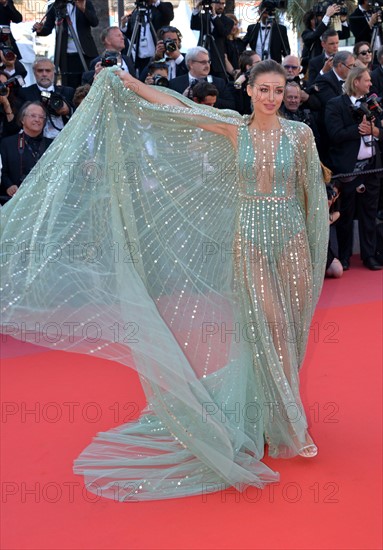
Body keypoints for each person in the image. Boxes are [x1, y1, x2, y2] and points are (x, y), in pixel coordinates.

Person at [0, 60, 328, 501]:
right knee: (266, 329)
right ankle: (292, 427)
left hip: (289, 236)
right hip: (249, 237)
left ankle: (278, 414)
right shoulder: (235, 128)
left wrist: (311, 243)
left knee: (288, 332)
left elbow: (311, 191)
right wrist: (132, 83)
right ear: (249, 91)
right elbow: (178, 109)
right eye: (263, 90)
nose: (271, 98)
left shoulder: (299, 135)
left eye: (278, 90)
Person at [325, 66, 383, 271]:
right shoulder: (335, 105)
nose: (370, 84)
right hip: (347, 169)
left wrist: (373, 130)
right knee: (346, 215)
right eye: (366, 80)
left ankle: (369, 256)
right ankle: (345, 256)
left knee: (369, 213)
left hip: (372, 168)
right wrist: (358, 130)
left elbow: (380, 133)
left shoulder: (374, 104)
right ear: (355, 82)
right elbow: (334, 134)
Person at [32, 0, 99, 88]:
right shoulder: (54, 6)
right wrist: (40, 30)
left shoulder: (85, 2)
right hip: (66, 56)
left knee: (90, 83)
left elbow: (94, 22)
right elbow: (47, 28)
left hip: (86, 52)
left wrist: (83, 9)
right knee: (69, 85)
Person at [0, 101, 52, 198]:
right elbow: (2, 172)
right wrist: (9, 186)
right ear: (22, 119)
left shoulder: (52, 144)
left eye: (41, 117)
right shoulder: (7, 143)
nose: (37, 119)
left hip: (44, 198)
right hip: (14, 199)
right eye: (33, 115)